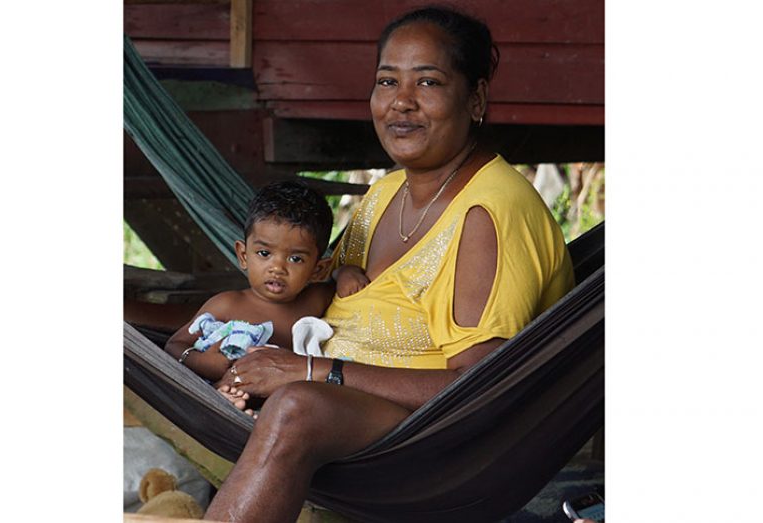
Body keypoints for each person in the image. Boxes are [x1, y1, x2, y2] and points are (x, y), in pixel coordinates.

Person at [204, 6, 575, 522]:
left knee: (295, 409)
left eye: (428, 82)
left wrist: (311, 372)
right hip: (337, 404)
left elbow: (479, 388)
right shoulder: (384, 195)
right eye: (386, 80)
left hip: (426, 442)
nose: (401, 102)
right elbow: (303, 294)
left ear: (476, 98)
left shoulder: (489, 214)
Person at [163, 181, 336, 403]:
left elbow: (339, 282)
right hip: (223, 397)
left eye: (295, 259)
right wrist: (204, 363)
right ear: (244, 256)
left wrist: (347, 273)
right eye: (264, 253)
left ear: (318, 269)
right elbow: (174, 345)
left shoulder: (315, 299)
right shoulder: (226, 304)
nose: (277, 268)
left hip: (285, 406)